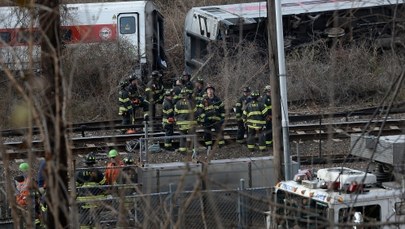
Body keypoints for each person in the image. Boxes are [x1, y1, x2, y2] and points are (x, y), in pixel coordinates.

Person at [75, 153, 106, 228]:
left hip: (84, 199)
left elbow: (75, 185)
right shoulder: (98, 172)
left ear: (85, 162)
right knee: (96, 217)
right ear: (94, 163)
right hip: (97, 200)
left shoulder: (80, 172)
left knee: (84, 217)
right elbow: (104, 184)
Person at [196, 84, 225, 149]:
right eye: (208, 90)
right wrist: (204, 118)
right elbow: (200, 111)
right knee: (207, 133)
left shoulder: (218, 100)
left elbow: (222, 110)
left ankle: (221, 145)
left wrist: (222, 118)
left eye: (211, 90)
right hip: (207, 120)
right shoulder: (203, 101)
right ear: (206, 91)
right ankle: (208, 146)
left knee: (219, 132)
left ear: (213, 91)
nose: (210, 91)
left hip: (217, 120)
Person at [14, 162, 42, 227]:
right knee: (34, 210)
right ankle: (37, 222)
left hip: (25, 198)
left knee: (34, 211)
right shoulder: (25, 181)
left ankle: (36, 222)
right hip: (27, 198)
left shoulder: (21, 181)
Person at [174, 87, 197, 155]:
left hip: (181, 125)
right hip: (191, 124)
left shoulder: (178, 103)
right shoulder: (191, 103)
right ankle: (194, 151)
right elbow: (196, 113)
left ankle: (183, 151)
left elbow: (175, 114)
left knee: (182, 137)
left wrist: (177, 122)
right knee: (192, 137)